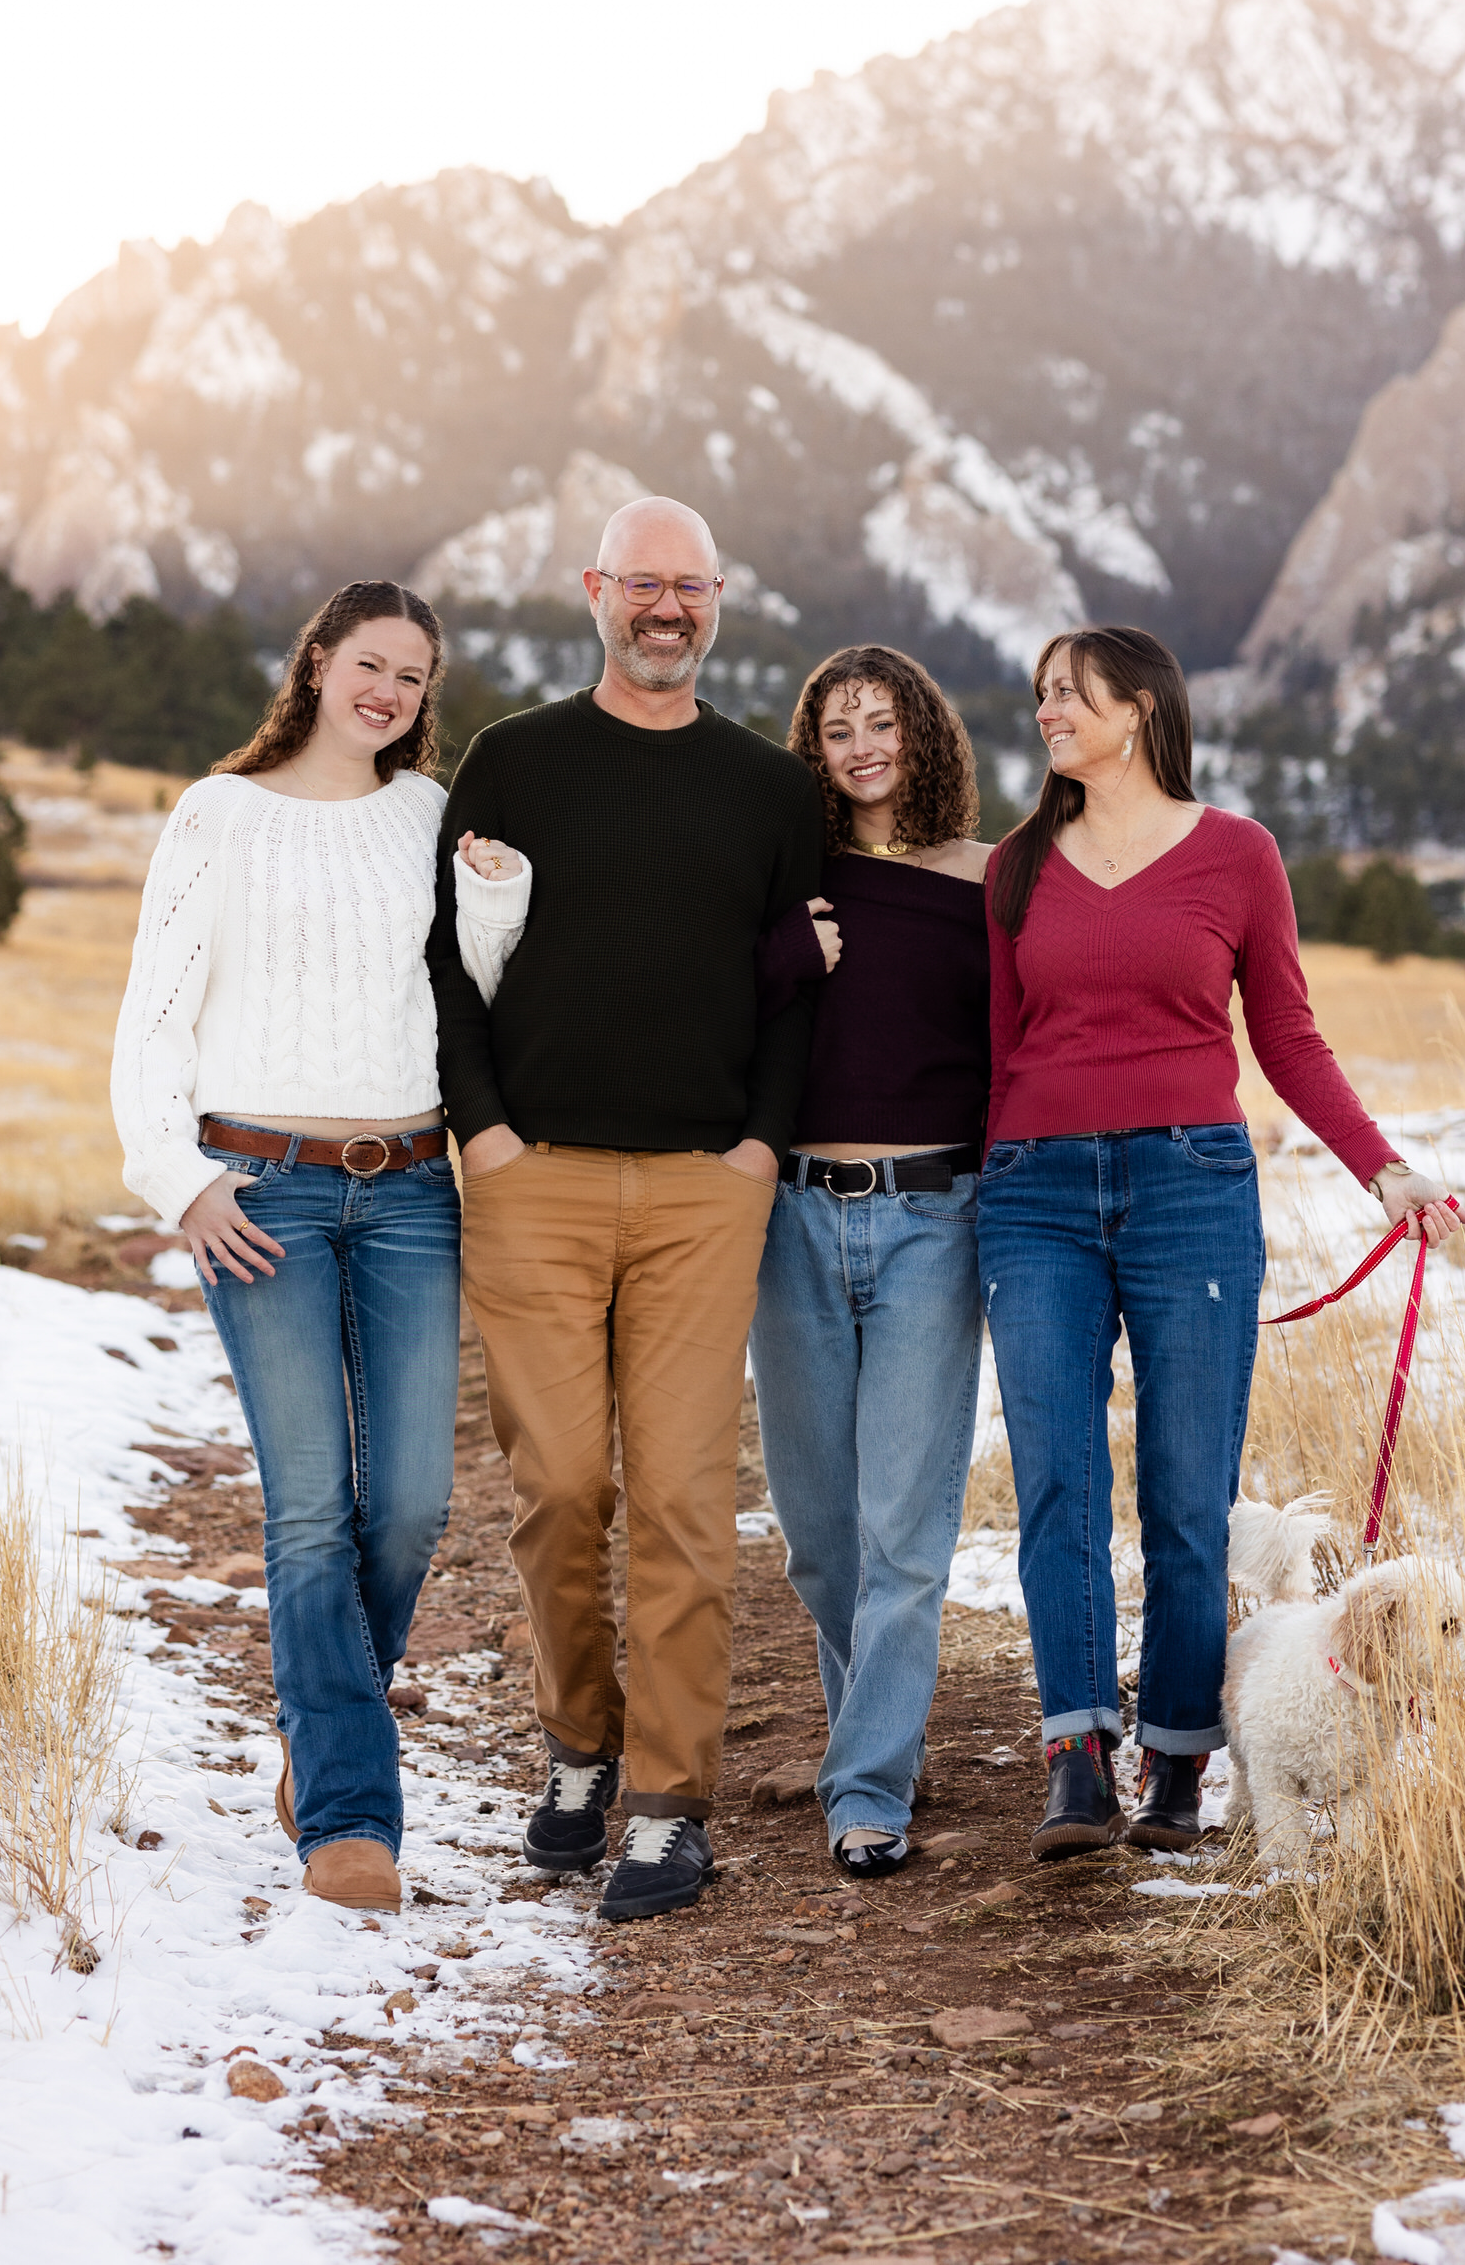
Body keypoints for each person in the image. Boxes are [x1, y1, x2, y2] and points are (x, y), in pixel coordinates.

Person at [976, 626, 1459, 1861]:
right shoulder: (1018, 867)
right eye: (1038, 696)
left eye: (1068, 694)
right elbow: (993, 1049)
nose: (1046, 712)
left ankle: (1178, 1761)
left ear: (1139, 709)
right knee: (1058, 1488)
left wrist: (1384, 1169)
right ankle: (1077, 1755)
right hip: (1033, 1195)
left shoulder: (1236, 855)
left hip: (1191, 1185)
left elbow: (1288, 1038)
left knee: (1188, 1500)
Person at [426, 497, 822, 1923]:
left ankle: (668, 1805)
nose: (666, 608)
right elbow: (446, 965)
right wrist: (486, 1135)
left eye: (690, 587)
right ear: (595, 591)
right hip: (534, 1180)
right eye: (641, 583)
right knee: (561, 1492)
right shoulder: (512, 761)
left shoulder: (772, 791)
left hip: (704, 1192)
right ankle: (576, 1749)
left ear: (718, 601)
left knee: (680, 1501)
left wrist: (760, 1150)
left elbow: (795, 985)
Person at [111, 581, 522, 1914]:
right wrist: (178, 1180)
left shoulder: (426, 818)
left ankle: (319, 1707)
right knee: (310, 1507)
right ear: (318, 665)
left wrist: (502, 900)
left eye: (412, 675)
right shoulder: (216, 814)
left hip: (410, 1189)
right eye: (367, 664)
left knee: (406, 1504)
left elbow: (481, 990)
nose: (387, 692)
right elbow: (153, 1019)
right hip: (263, 1191)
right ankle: (350, 1813)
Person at [748, 646, 991, 1877]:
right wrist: (785, 954)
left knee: (905, 1527)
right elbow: (718, 1010)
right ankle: (877, 1730)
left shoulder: (990, 882)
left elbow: (1029, 1042)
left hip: (934, 1221)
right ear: (813, 747)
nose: (859, 744)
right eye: (835, 725)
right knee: (817, 1536)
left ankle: (868, 1782)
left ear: (923, 735)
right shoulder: (787, 881)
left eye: (882, 720)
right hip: (790, 1218)